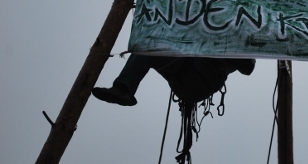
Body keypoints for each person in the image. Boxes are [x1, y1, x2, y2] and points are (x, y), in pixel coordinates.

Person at [92, 54, 255, 106]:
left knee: (148, 50)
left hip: (199, 76)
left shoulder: (237, 35)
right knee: (146, 50)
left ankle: (123, 89)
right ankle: (123, 89)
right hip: (185, 79)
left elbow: (248, 68)